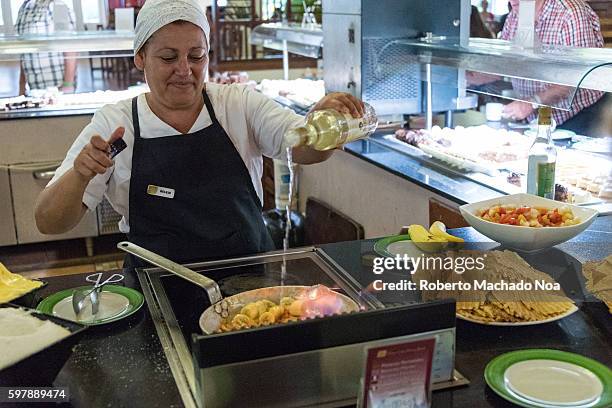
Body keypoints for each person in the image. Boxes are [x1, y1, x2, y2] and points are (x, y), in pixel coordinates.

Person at [34, 0, 365, 267]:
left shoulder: (237, 105)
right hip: (157, 287)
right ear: (140, 58)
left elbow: (303, 148)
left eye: (196, 56)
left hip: (247, 281)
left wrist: (323, 126)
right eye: (168, 57)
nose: (184, 69)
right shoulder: (116, 124)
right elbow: (50, 222)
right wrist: (79, 174)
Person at [499, 0, 605, 133]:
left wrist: (532, 103)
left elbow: (574, 78)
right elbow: (502, 64)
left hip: (581, 116)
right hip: (536, 119)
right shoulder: (518, 13)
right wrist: (469, 74)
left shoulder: (570, 12)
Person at [15, 0, 77, 94]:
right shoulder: (24, 8)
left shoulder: (58, 6)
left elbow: (69, 48)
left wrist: (68, 84)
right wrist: (22, 86)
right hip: (34, 89)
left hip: (58, 88)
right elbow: (24, 52)